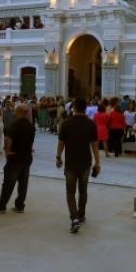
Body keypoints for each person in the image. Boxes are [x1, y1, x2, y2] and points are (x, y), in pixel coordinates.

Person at [56, 98, 101, 233]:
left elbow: (61, 143)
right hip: (85, 162)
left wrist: (58, 157)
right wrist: (97, 162)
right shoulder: (91, 124)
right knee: (83, 191)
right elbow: (95, 145)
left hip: (70, 162)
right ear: (86, 108)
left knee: (70, 192)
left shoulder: (66, 123)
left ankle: (74, 218)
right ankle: (81, 215)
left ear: (74, 108)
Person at [0, 103, 36, 213]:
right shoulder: (31, 125)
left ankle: (1, 206)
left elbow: (8, 139)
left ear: (18, 112)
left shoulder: (14, 124)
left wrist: (7, 151)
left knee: (9, 182)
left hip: (15, 156)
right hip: (27, 157)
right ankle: (20, 205)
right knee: (23, 183)